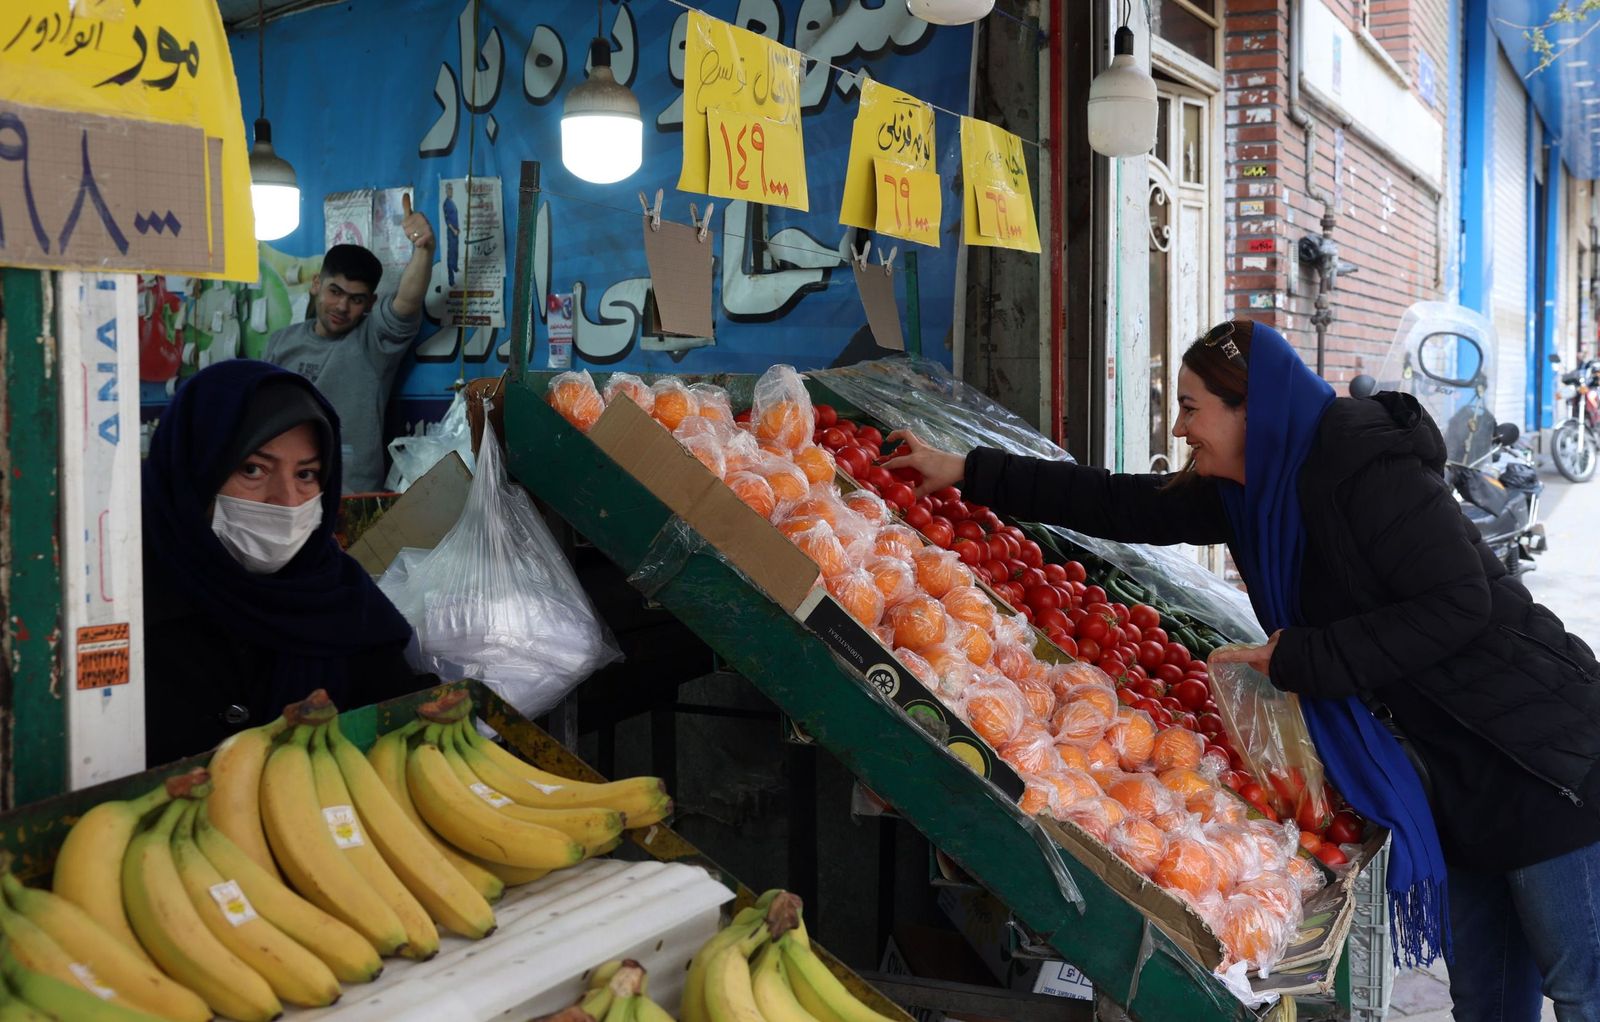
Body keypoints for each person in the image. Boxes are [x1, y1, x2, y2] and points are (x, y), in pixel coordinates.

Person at [884, 319, 1600, 1021]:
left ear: (1252, 412)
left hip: (1539, 754)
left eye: (1192, 408)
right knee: (1488, 999)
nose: (1180, 429)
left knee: (1582, 986)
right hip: (1455, 770)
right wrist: (969, 469)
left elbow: (1459, 604)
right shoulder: (1258, 491)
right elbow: (1119, 501)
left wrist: (1300, 658)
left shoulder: (1366, 472)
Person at [142, 360, 424, 766]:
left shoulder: (342, 601)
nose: (287, 500)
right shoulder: (118, 609)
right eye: (253, 469)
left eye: (307, 474)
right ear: (191, 471)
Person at [263, 194, 435, 493]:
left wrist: (424, 250)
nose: (342, 306)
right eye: (335, 291)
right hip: (284, 492)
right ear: (316, 284)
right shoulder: (280, 343)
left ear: (371, 302)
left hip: (350, 498)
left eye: (356, 299)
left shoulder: (374, 342)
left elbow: (406, 302)